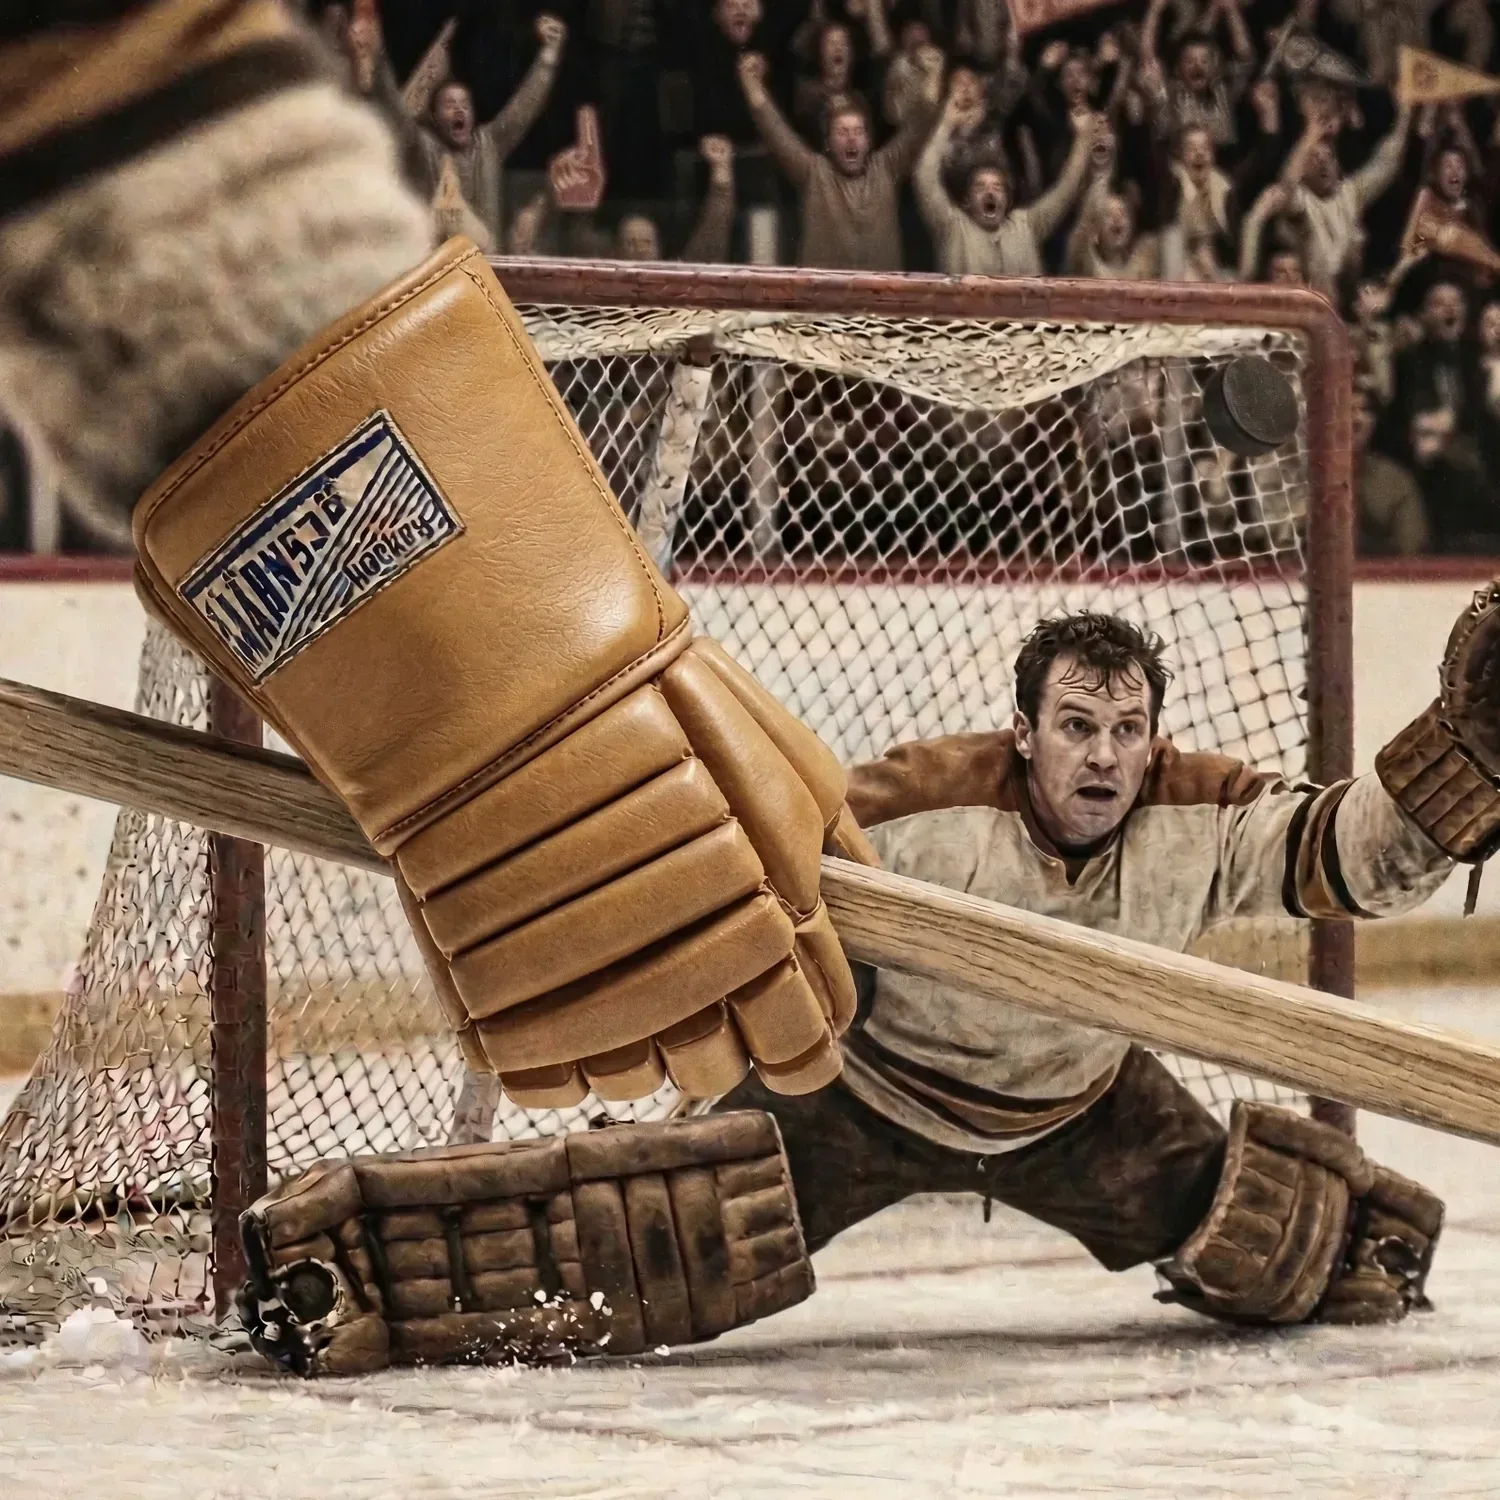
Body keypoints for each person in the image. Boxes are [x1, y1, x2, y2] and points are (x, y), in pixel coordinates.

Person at [720, 610, 1453, 1327]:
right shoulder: (918, 804)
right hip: (858, 1100)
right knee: (653, 1243)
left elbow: (1354, 861)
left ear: (1151, 742)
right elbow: (757, 869)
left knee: (1315, 1251)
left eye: (1126, 731)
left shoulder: (1199, 812)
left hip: (1082, 1113)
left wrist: (1463, 764)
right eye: (1076, 727)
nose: (1104, 755)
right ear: (1024, 735)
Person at [738, 47, 941, 271]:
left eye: (858, 131)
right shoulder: (813, 172)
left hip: (882, 298)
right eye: (842, 132)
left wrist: (934, 74)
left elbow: (921, 124)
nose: (851, 139)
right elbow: (774, 130)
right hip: (822, 298)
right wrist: (750, 82)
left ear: (869, 141)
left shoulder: (886, 167)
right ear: (828, 143)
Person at [412, 14, 568, 254]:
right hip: (439, 274)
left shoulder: (488, 143)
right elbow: (400, 118)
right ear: (433, 117)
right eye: (450, 104)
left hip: (491, 270)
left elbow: (525, 107)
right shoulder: (426, 149)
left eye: (465, 104)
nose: (459, 109)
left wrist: (549, 56)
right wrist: (432, 65)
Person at [915, 84, 1099, 276]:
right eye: (980, 187)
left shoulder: (1027, 225)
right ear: (967, 201)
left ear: (1008, 200)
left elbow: (1066, 189)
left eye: (998, 187)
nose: (990, 192)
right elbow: (924, 175)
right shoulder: (952, 227)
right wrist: (946, 123)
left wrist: (1083, 138)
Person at [1352, 383, 1428, 556]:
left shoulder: (1394, 480)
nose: (1356, 419)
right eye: (1345, 409)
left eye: (1364, 410)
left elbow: (1411, 546)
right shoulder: (1291, 478)